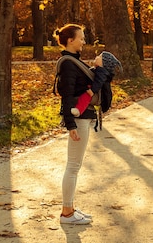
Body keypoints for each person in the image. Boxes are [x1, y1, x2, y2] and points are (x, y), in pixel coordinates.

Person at [54, 24, 96, 225]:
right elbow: (67, 95)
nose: (84, 41)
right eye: (81, 38)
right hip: (78, 119)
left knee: (74, 166)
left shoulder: (74, 61)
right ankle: (67, 214)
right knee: (73, 166)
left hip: (82, 117)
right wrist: (70, 125)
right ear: (70, 40)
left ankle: (69, 209)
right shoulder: (69, 64)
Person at [71, 51, 121, 117]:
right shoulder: (99, 70)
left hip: (93, 90)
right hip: (91, 88)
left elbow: (99, 82)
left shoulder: (101, 72)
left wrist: (92, 90)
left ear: (103, 63)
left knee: (86, 97)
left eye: (100, 57)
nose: (97, 57)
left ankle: (78, 110)